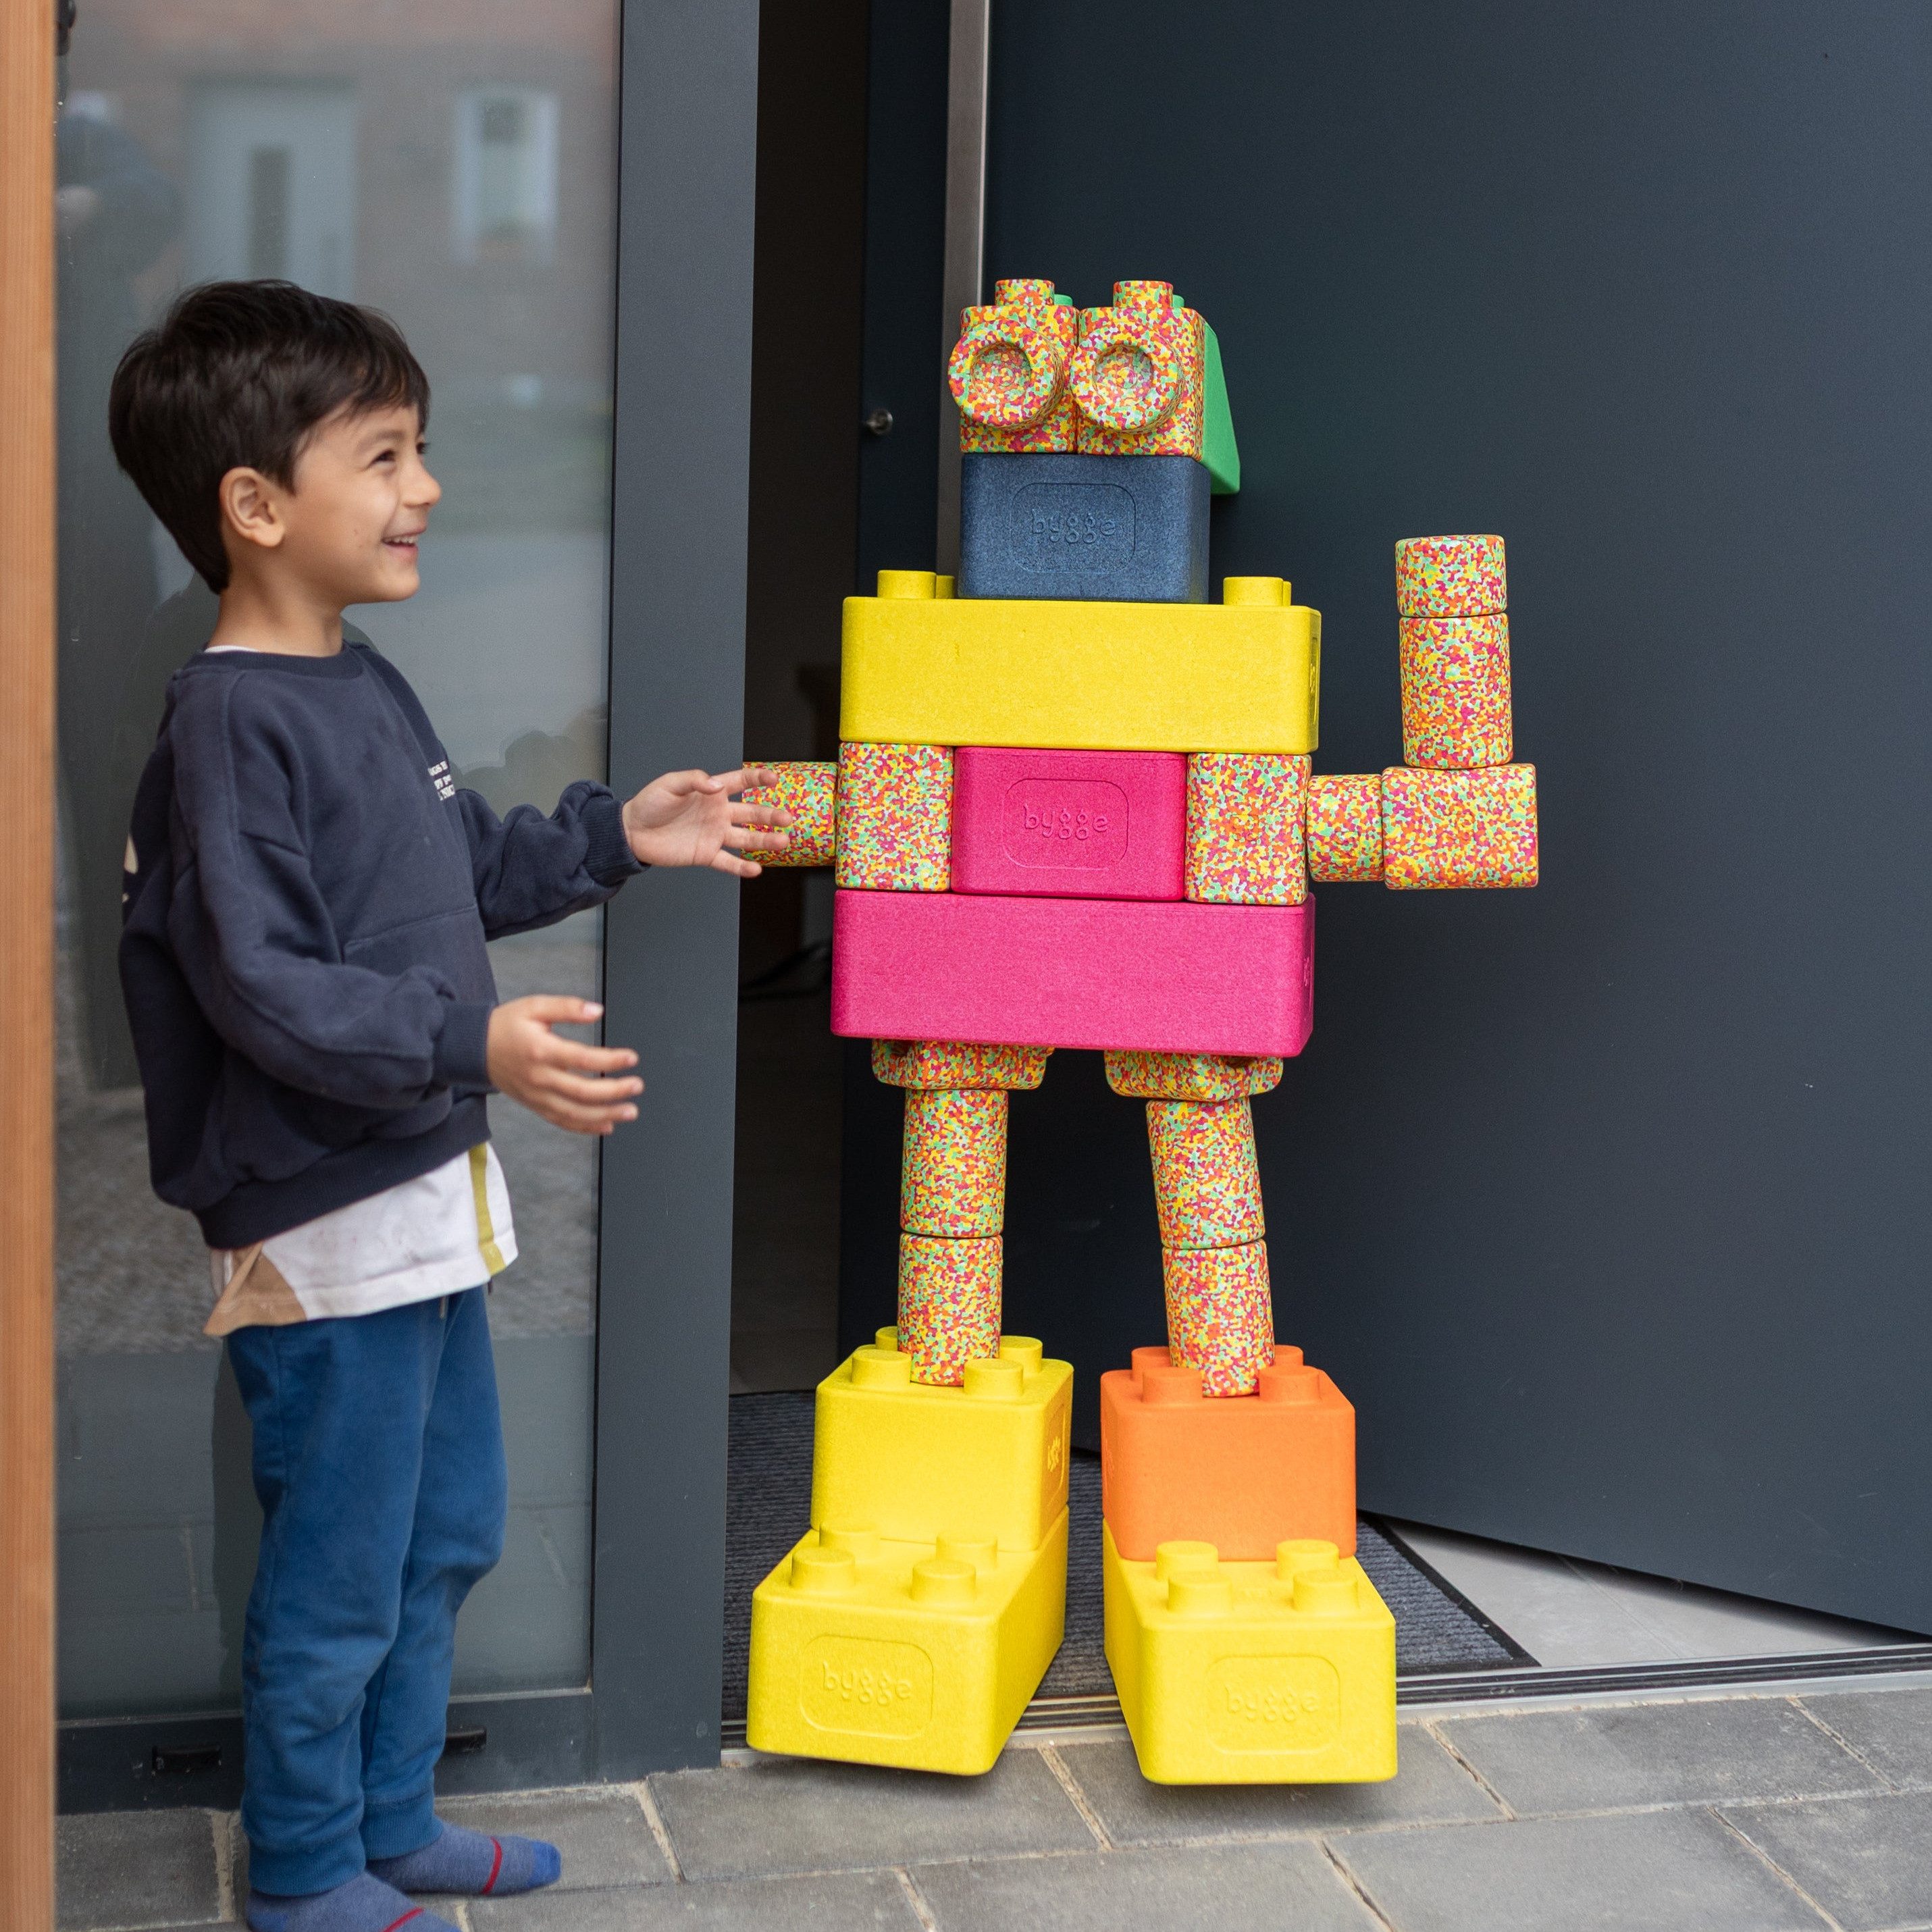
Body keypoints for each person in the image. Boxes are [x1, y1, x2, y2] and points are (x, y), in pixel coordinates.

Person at [109, 280, 790, 1932]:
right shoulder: (226, 729)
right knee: (337, 1574)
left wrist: (621, 834)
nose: (426, 489)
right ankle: (300, 1868)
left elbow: (456, 869)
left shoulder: (360, 680)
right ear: (257, 507)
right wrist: (473, 1045)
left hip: (416, 1200)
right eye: (388, 455)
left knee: (446, 1532)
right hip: (321, 1230)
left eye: (421, 451)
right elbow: (263, 986)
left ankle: (392, 1820)